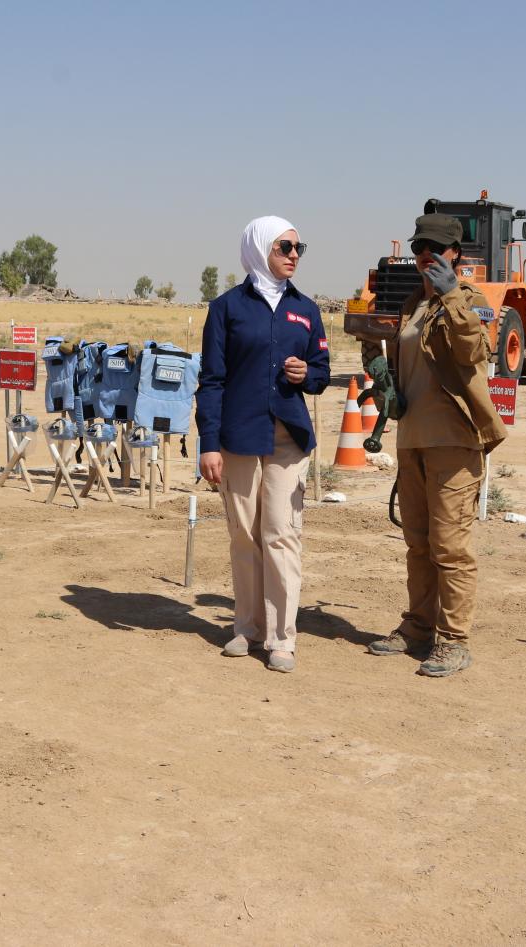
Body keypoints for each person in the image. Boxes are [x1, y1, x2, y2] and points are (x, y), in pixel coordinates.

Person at [362, 212, 508, 677]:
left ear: (454, 254)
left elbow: (472, 351)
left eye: (436, 248)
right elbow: (392, 356)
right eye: (420, 247)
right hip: (412, 439)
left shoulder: (470, 300)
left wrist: (450, 296)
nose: (426, 254)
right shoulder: (411, 303)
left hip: (454, 441)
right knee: (419, 544)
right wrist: (379, 370)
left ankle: (453, 640)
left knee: (450, 547)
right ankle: (418, 627)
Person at [196, 216, 331, 673]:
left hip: (287, 438)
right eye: (284, 247)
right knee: (244, 535)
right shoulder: (226, 309)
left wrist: (307, 374)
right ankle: (248, 628)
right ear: (258, 249)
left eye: (298, 248)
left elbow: (322, 372)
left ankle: (281, 638)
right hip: (238, 437)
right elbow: (212, 381)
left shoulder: (306, 310)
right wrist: (208, 443)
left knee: (281, 534)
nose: (293, 255)